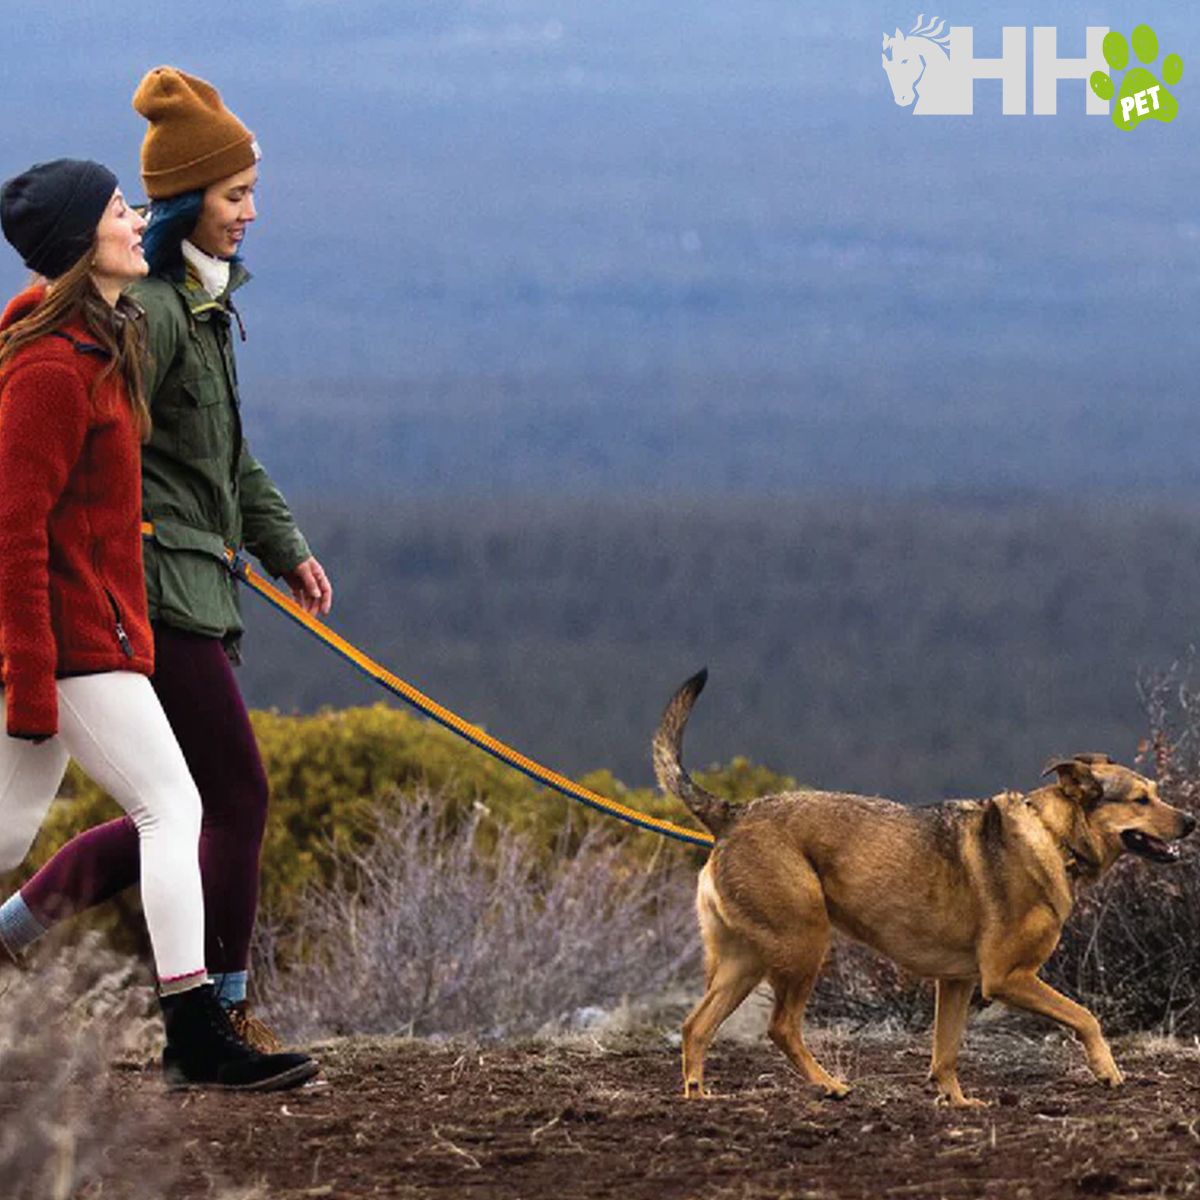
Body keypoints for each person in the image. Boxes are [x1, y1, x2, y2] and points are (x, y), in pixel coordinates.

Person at [0, 70, 334, 1056]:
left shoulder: (167, 313)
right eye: (236, 194)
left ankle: (63, 951)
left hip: (137, 603)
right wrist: (40, 653)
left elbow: (224, 459)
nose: (251, 212)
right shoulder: (115, 332)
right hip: (112, 608)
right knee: (200, 800)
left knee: (110, 812)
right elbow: (38, 502)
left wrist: (283, 547)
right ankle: (209, 1016)